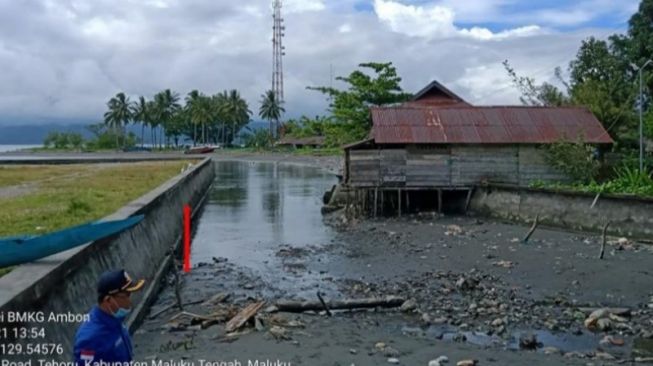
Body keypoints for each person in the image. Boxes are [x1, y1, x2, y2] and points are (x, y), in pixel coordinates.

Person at [73, 269, 145, 365]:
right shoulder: (90, 340)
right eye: (126, 296)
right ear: (108, 300)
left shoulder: (114, 320)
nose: (130, 302)